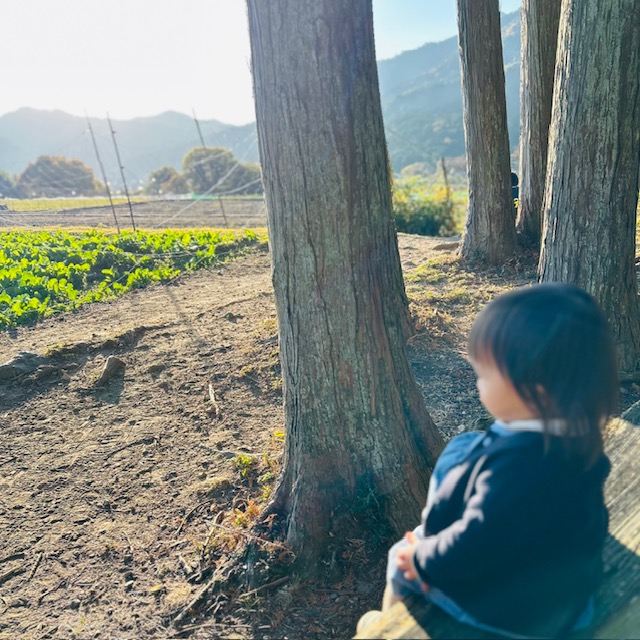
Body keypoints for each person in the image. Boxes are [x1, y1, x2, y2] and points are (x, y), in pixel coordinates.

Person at [357, 283, 617, 638]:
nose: (477, 383)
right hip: (568, 592)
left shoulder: (518, 466)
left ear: (536, 389)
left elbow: (474, 545)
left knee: (402, 554)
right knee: (466, 446)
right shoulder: (578, 435)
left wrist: (421, 559)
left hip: (516, 613)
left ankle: (388, 627)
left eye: (484, 375)